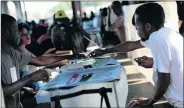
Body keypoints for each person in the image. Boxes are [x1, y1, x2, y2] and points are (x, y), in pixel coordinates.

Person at [88, 3, 183, 108]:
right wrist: (105, 51)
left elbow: (164, 80)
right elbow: (131, 45)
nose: (137, 32)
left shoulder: (158, 40)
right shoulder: (167, 33)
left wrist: (150, 101)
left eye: (137, 27)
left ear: (147, 26)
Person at [1, 14, 76, 108]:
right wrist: (29, 78)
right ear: (5, 32)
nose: (19, 33)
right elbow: (2, 91)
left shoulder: (12, 54)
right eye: (16, 30)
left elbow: (39, 60)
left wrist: (70, 56)